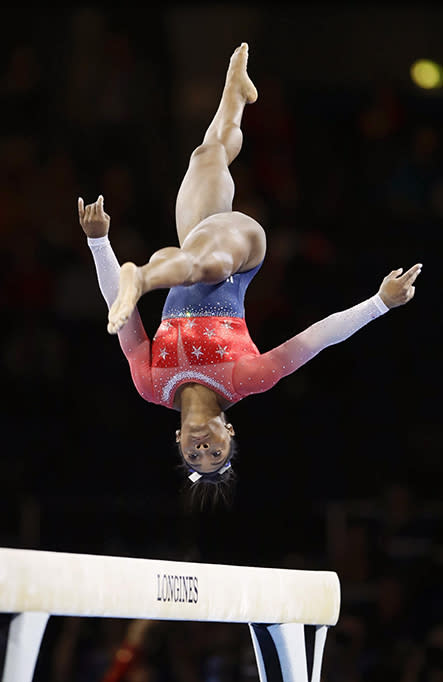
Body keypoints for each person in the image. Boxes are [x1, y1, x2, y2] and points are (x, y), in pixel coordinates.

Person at [78, 43, 422, 505]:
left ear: (176, 443)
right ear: (228, 428)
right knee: (204, 265)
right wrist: (379, 303)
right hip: (239, 251)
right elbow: (316, 339)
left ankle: (234, 96)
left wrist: (98, 241)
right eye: (216, 451)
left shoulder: (150, 382)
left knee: (206, 156)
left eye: (195, 456)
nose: (203, 449)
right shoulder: (245, 379)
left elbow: (117, 316)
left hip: (192, 247)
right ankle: (139, 277)